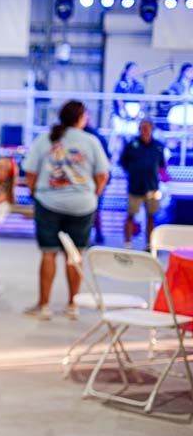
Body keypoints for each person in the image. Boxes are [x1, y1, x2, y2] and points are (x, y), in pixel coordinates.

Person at [22, 100, 109, 320]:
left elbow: (30, 172)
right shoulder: (91, 142)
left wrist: (34, 193)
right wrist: (93, 194)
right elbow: (102, 174)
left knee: (48, 253)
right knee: (75, 255)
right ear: (81, 118)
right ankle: (73, 305)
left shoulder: (45, 139)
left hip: (49, 202)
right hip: (82, 205)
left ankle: (44, 306)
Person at [120, 119, 165, 250]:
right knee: (130, 215)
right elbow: (123, 162)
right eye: (142, 128)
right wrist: (133, 171)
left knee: (151, 216)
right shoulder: (131, 145)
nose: (145, 130)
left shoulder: (158, 146)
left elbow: (162, 165)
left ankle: (150, 244)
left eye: (147, 128)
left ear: (152, 129)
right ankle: (128, 244)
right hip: (135, 187)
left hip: (152, 187)